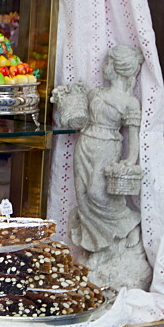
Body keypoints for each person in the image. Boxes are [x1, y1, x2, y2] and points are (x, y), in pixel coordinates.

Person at [52, 45, 152, 290]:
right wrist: (68, 95)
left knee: (100, 195)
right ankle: (98, 247)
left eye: (108, 62)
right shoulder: (97, 92)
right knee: (84, 196)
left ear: (118, 68)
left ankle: (129, 226)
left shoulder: (130, 103)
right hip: (85, 144)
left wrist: (130, 160)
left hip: (107, 147)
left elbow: (134, 136)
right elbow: (80, 117)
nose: (103, 66)